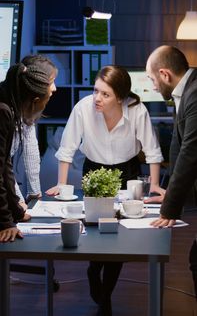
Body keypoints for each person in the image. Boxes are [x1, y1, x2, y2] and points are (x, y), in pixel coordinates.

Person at [46, 65, 164, 315]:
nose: (97, 98)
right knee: (96, 228)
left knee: (120, 234)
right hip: (94, 170)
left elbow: (152, 150)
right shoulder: (83, 108)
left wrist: (153, 185)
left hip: (127, 172)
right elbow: (67, 148)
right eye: (96, 91)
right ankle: (93, 271)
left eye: (105, 94)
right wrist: (62, 183)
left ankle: (105, 296)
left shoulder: (136, 110)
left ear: (120, 96)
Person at [145, 45, 197, 297]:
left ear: (165, 74)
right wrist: (170, 193)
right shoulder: (187, 90)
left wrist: (170, 209)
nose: (152, 86)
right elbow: (178, 147)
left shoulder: (195, 93)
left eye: (151, 79)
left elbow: (191, 152)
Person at [0, 58, 57, 243]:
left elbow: (5, 165)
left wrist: (17, 210)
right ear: (35, 100)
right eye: (47, 101)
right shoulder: (3, 111)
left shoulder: (11, 104)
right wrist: (6, 222)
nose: (54, 89)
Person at [11, 55, 58, 206]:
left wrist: (34, 193)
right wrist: (18, 201)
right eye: (52, 82)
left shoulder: (26, 113)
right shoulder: (7, 115)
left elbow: (31, 152)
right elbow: (3, 169)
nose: (55, 88)